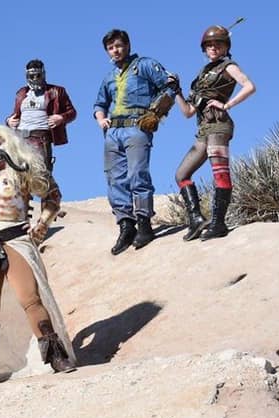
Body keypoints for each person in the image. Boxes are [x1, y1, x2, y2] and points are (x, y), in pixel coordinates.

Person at [0, 125, 76, 386]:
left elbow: (52, 195)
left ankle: (55, 356)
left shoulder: (22, 169)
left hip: (14, 238)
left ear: (9, 143)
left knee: (30, 298)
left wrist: (42, 223)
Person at [93, 29, 179, 255]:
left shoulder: (145, 65)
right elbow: (99, 103)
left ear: (128, 45)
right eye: (111, 48)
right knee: (115, 178)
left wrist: (157, 112)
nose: (115, 50)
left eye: (119, 46)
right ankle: (126, 226)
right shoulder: (109, 76)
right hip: (114, 131)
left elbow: (170, 85)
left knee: (137, 174)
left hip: (137, 125)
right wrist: (101, 119)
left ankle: (144, 224)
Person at [173, 25, 256, 240]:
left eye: (218, 44)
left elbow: (249, 86)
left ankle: (219, 223)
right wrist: (176, 92)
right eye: (209, 45)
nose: (213, 48)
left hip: (219, 125)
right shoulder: (202, 75)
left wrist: (227, 105)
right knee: (181, 174)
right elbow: (188, 112)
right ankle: (196, 220)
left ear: (226, 47)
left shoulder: (228, 66)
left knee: (220, 173)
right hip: (203, 129)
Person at [5, 58, 77, 170]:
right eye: (31, 76)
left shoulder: (56, 91)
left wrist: (61, 118)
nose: (35, 79)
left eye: (37, 75)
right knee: (15, 172)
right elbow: (15, 114)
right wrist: (8, 121)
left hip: (40, 138)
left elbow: (72, 112)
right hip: (19, 137)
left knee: (39, 174)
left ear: (43, 74)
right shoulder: (21, 93)